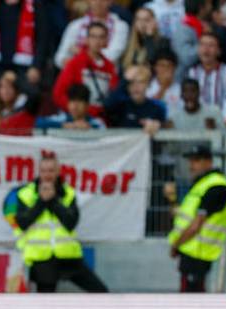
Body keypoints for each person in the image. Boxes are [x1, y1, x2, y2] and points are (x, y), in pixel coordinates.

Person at [13, 153, 108, 293]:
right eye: (43, 171)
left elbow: (71, 222)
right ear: (38, 172)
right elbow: (22, 223)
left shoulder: (68, 193)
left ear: (58, 171)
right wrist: (41, 201)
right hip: (42, 259)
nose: (47, 175)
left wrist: (53, 200)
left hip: (69, 257)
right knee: (45, 305)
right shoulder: (25, 194)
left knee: (101, 292)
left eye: (51, 170)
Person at [167, 144, 226, 292]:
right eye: (190, 161)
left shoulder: (216, 186)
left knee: (192, 302)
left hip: (199, 254)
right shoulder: (202, 184)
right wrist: (171, 200)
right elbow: (185, 216)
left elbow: (196, 225)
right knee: (191, 300)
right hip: (191, 251)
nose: (191, 165)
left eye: (196, 160)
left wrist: (175, 244)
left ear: (208, 162)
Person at [53, 21, 118, 119]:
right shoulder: (75, 63)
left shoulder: (110, 67)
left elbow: (113, 94)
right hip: (78, 119)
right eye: (93, 36)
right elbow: (58, 94)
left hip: (102, 119)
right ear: (86, 39)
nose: (97, 41)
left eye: (101, 37)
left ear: (106, 41)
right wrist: (77, 110)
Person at [56, 0, 129, 67]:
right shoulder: (75, 25)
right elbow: (60, 58)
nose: (98, 2)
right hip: (76, 77)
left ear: (110, 1)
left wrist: (80, 53)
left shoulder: (120, 26)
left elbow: (111, 56)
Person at [186, 32, 226, 107]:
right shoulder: (192, 72)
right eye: (202, 45)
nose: (206, 49)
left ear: (219, 51)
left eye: (211, 45)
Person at [106, 64, 167, 131]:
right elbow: (107, 106)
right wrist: (125, 80)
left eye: (141, 82)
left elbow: (165, 129)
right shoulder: (120, 106)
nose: (136, 86)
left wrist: (157, 125)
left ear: (148, 84)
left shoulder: (157, 108)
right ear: (127, 86)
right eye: (131, 82)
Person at [36, 82, 106, 129]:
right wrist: (64, 125)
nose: (74, 106)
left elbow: (103, 130)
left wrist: (89, 127)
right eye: (72, 101)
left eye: (79, 102)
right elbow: (36, 122)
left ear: (87, 105)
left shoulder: (96, 122)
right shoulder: (62, 119)